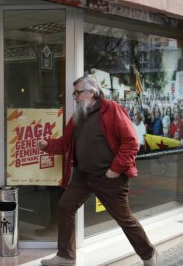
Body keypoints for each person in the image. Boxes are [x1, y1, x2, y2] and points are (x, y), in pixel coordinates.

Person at [37, 75, 158, 266]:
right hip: (83, 175)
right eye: (73, 93)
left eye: (77, 93)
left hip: (109, 177)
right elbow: (65, 143)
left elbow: (131, 142)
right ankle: (65, 256)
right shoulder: (79, 114)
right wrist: (47, 145)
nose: (74, 97)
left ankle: (149, 254)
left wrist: (115, 170)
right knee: (65, 206)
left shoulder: (112, 110)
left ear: (91, 93)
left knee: (124, 219)